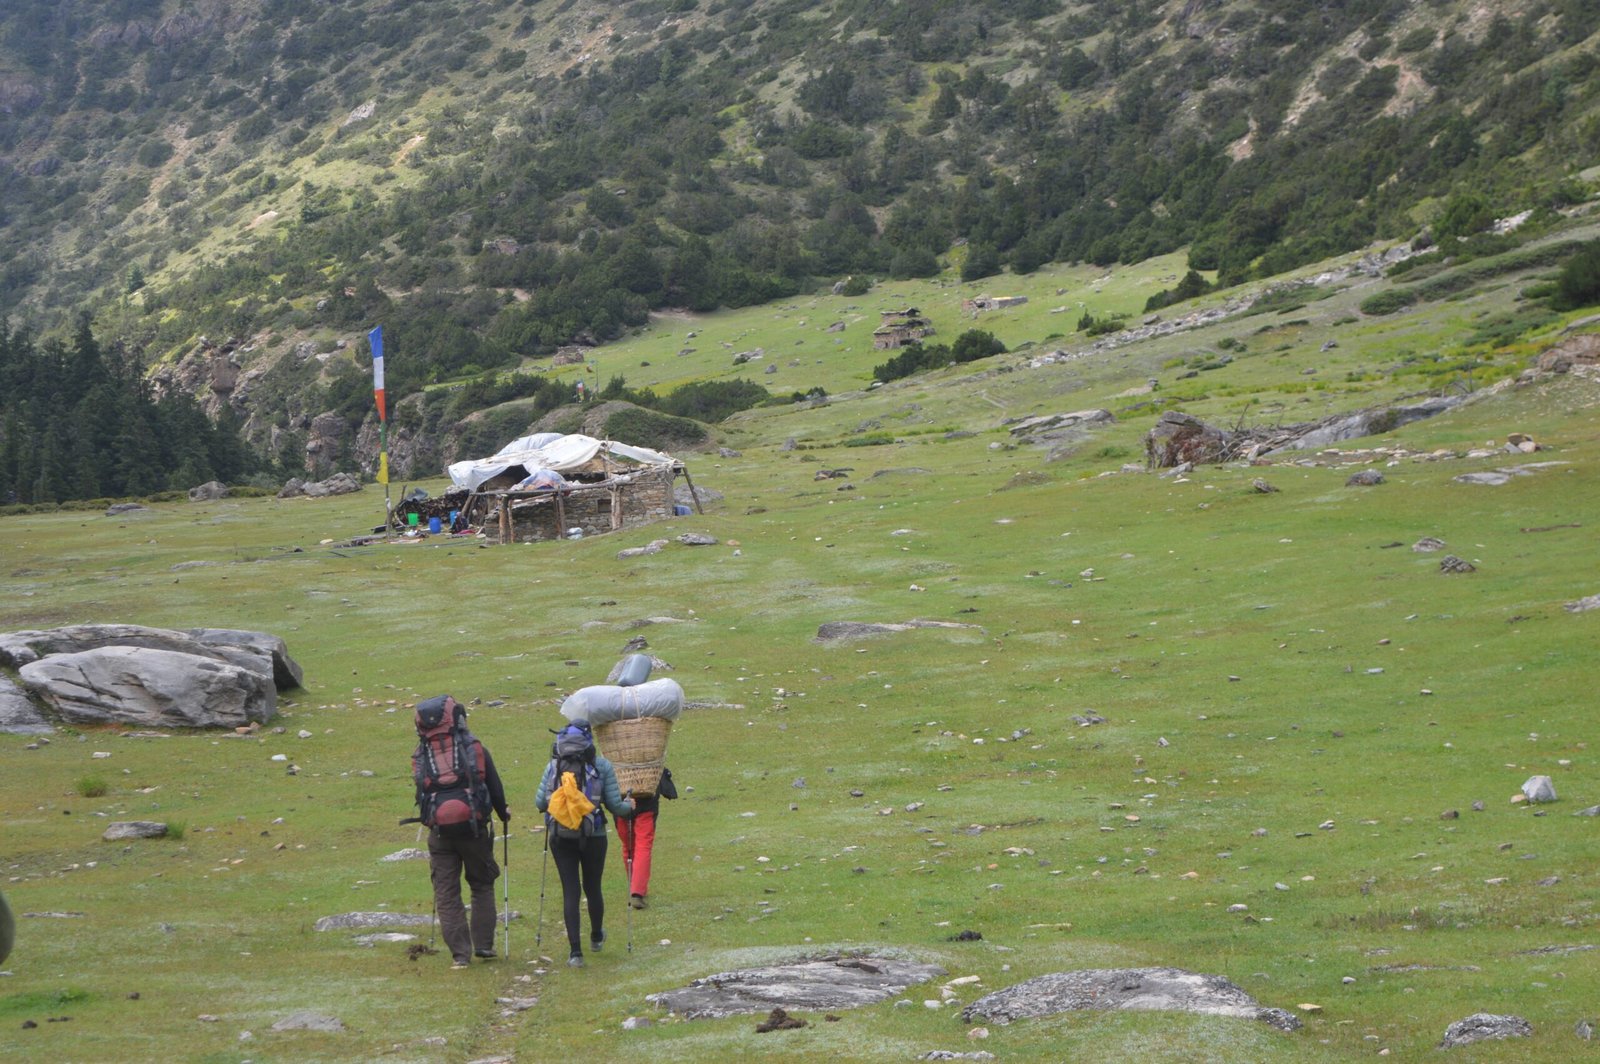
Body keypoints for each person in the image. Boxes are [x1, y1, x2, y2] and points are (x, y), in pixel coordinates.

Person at [410, 695, 510, 970]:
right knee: (481, 884)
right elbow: (495, 786)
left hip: (440, 833)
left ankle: (460, 955)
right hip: (474, 829)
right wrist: (503, 814)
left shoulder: (421, 755)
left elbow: (420, 792)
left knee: (446, 892)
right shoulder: (475, 748)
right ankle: (483, 945)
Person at [535, 722, 635, 968]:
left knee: (571, 890)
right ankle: (596, 936)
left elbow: (540, 803)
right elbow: (615, 806)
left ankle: (575, 953)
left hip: (560, 837)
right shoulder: (601, 766)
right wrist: (629, 806)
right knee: (593, 887)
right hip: (594, 835)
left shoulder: (553, 766)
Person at [617, 766, 677, 909]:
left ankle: (635, 887)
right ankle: (637, 892)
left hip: (620, 799)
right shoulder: (650, 753)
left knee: (628, 845)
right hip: (647, 798)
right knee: (643, 845)